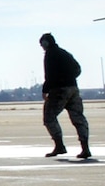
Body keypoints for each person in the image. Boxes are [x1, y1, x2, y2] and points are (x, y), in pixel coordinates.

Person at [39, 33, 94, 161]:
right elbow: (77, 69)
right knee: (78, 118)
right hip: (73, 89)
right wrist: (70, 79)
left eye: (42, 44)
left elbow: (49, 74)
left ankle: (59, 145)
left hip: (59, 90)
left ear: (46, 43)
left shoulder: (50, 54)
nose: (41, 47)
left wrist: (46, 89)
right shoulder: (64, 53)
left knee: (49, 117)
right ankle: (85, 148)